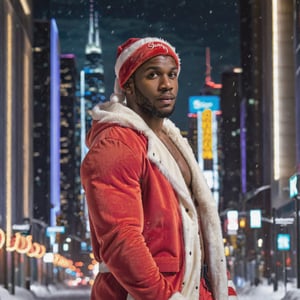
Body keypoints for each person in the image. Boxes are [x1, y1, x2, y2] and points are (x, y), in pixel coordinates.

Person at [80, 37, 238, 300]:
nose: (167, 85)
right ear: (128, 84)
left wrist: (224, 288)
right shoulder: (116, 145)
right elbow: (121, 240)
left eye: (172, 74)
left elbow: (200, 230)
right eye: (153, 75)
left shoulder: (172, 141)